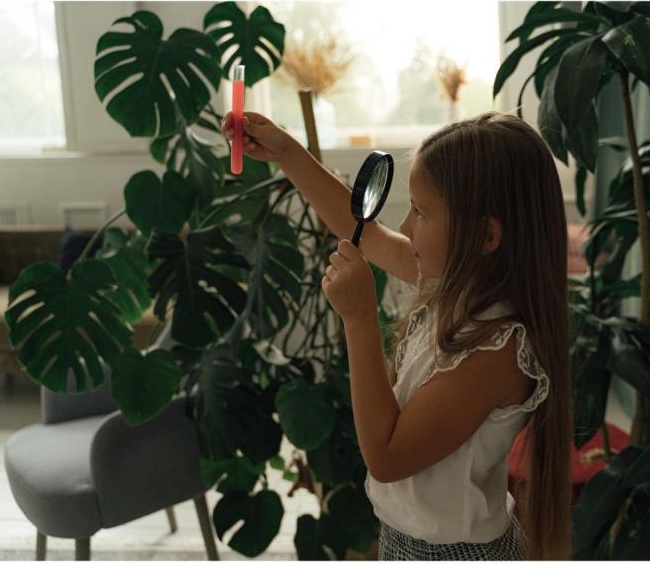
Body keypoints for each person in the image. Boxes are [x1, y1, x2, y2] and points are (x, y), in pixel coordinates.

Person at [221, 110, 572, 560]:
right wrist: (287, 154)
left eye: (421, 212)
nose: (405, 227)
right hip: (405, 544)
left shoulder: (496, 349)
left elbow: (386, 458)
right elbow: (365, 233)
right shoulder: (455, 285)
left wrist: (359, 318)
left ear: (486, 236)